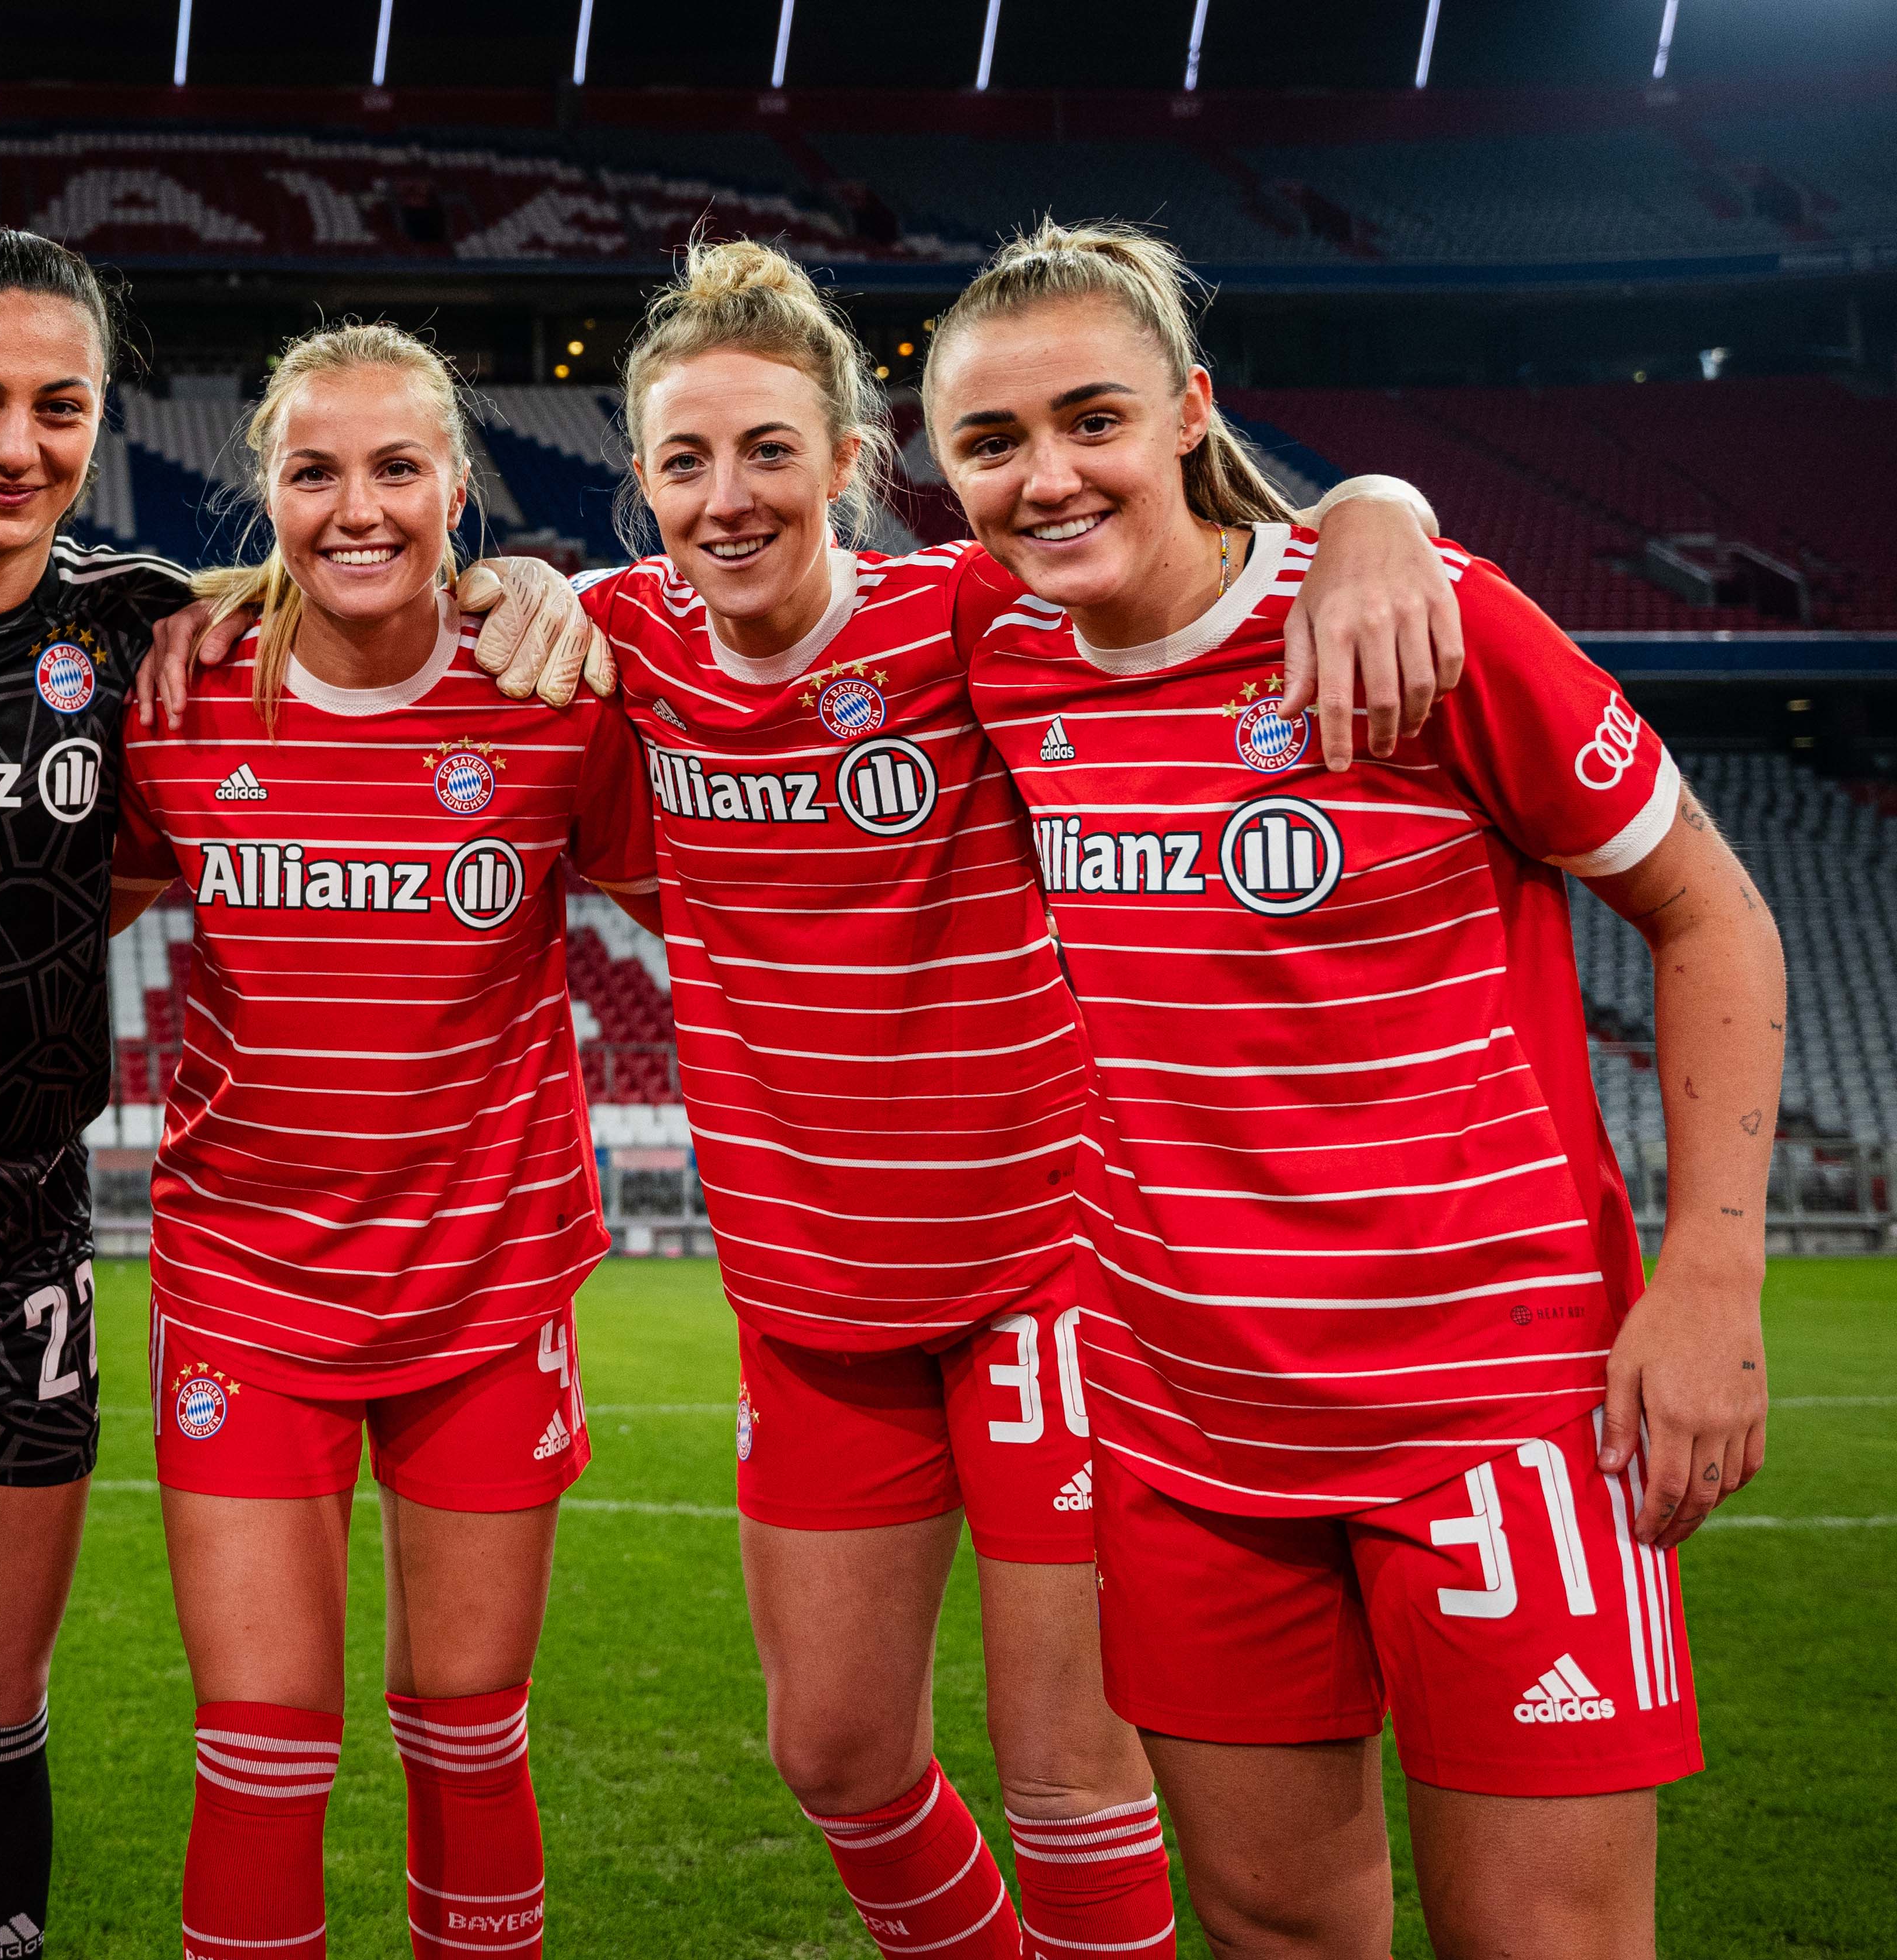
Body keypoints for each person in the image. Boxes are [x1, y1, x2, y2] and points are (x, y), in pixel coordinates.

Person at [0, 231, 604, 1960]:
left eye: (59, 406)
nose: (15, 443)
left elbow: (354, 623)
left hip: (11, 1256)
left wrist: (531, 588)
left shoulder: (147, 629)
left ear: (102, 421)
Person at [567, 239, 1459, 1960]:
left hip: (1040, 1275)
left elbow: (1203, 566)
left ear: (849, 460)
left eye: (769, 450)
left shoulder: (971, 613)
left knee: (1067, 1772)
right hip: (812, 1298)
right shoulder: (619, 646)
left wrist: (1379, 504)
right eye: (684, 460)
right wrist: (518, 585)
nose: (727, 494)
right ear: (642, 487)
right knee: (833, 1757)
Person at [931, 221, 1779, 1959]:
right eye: (990, 444)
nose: (1047, 477)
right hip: (1184, 1433)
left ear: (1189, 414)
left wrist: (1712, 1274)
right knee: (1271, 1928)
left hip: (1499, 1422)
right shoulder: (998, 658)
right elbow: (746, 604)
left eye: (1092, 417)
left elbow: (1712, 910)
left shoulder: (1427, 621)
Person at [108, 321, 658, 1960]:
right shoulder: (182, 700)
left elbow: (731, 885)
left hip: (484, 1295)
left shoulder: (557, 698)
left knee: (471, 1727)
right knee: (261, 1746)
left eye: (397, 467)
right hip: (244, 1291)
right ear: (264, 491)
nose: (358, 507)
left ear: (458, 487)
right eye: (314, 471)